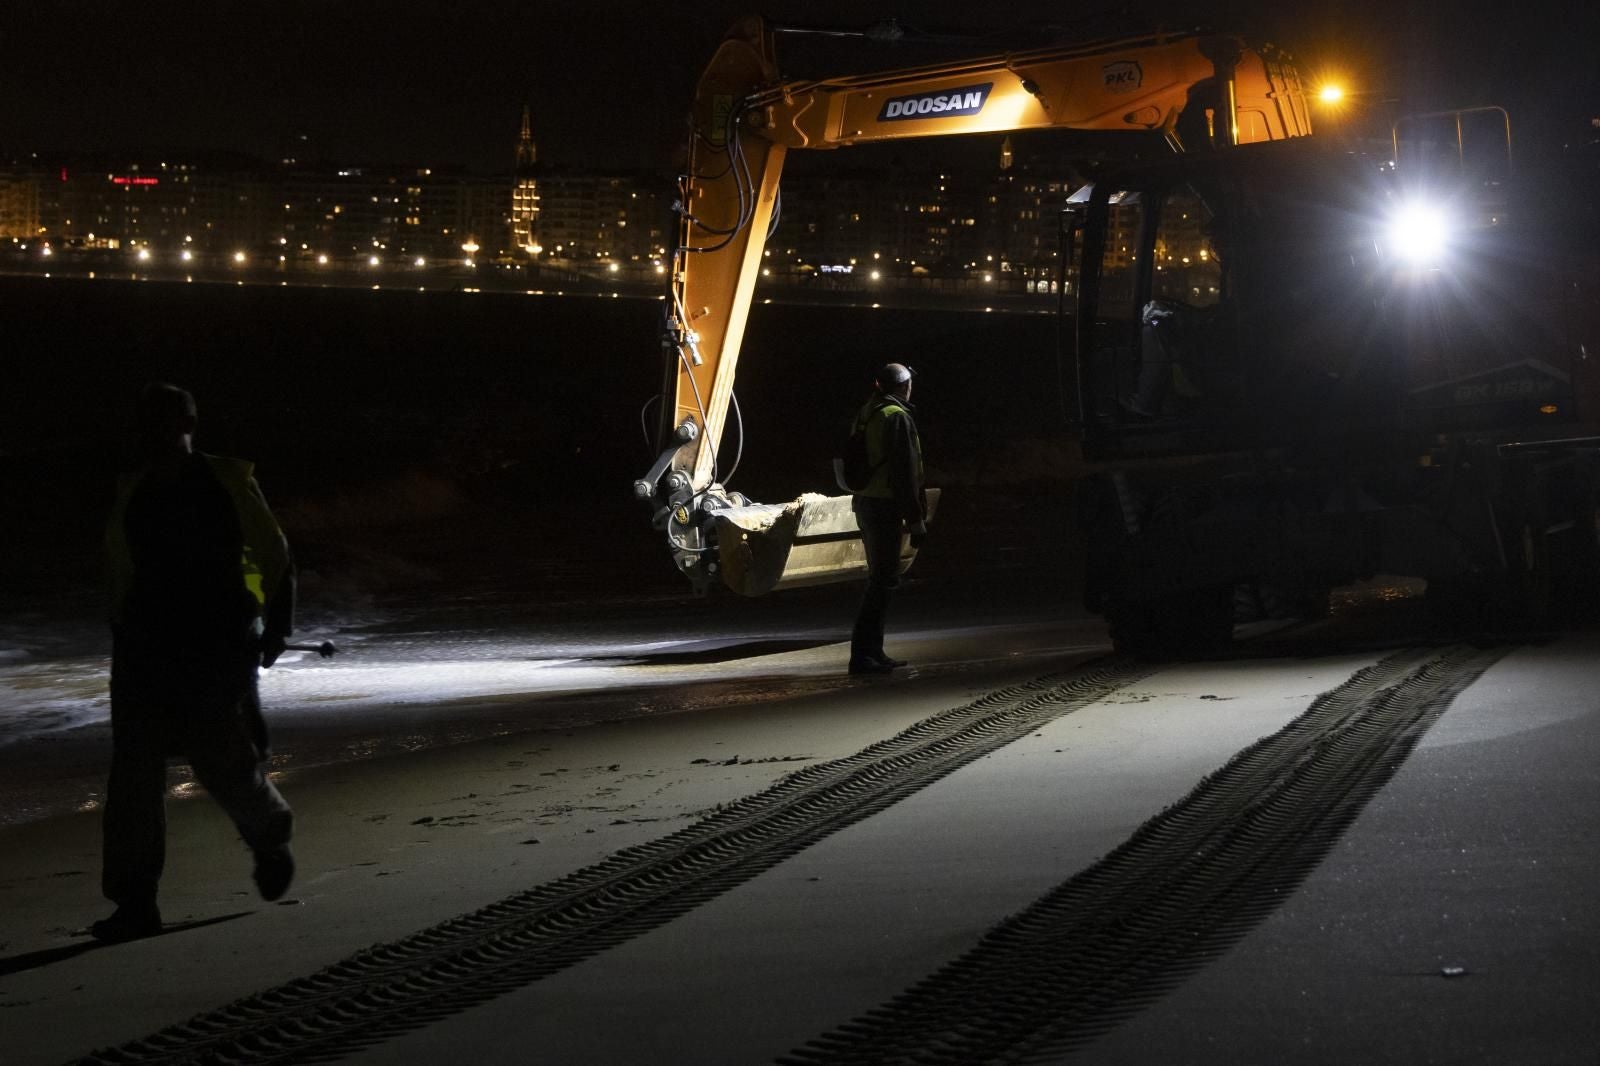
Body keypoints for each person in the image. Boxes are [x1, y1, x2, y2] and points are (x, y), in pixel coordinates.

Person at [94, 383, 297, 942]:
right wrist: (121, 629)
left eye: (167, 422)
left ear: (188, 423)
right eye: (148, 424)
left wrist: (275, 628)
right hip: (142, 651)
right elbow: (121, 570)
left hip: (215, 646)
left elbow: (275, 553)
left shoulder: (226, 483)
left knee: (222, 760)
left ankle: (269, 833)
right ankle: (135, 902)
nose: (156, 434)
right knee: (132, 777)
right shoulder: (132, 489)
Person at [848, 362, 927, 675]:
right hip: (885, 507)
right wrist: (917, 519)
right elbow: (904, 474)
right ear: (904, 386)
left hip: (867, 503)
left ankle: (873, 652)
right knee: (882, 582)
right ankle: (863, 656)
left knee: (881, 580)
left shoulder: (867, 413)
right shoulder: (897, 417)